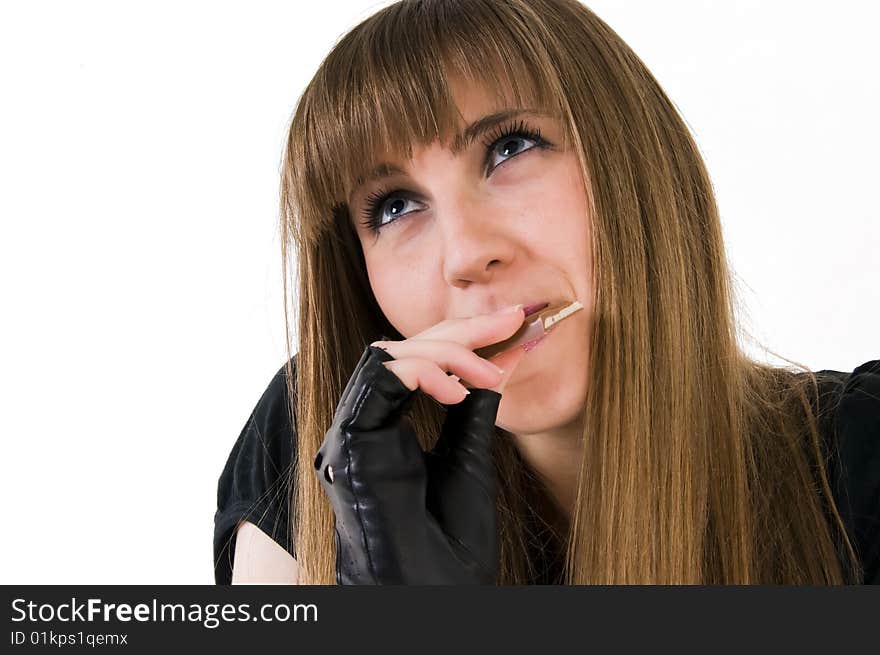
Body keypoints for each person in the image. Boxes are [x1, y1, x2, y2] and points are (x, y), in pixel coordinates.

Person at [213, 0, 879, 585]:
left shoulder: (863, 450)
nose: (468, 254)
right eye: (394, 208)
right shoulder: (324, 435)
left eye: (511, 148)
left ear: (638, 161)